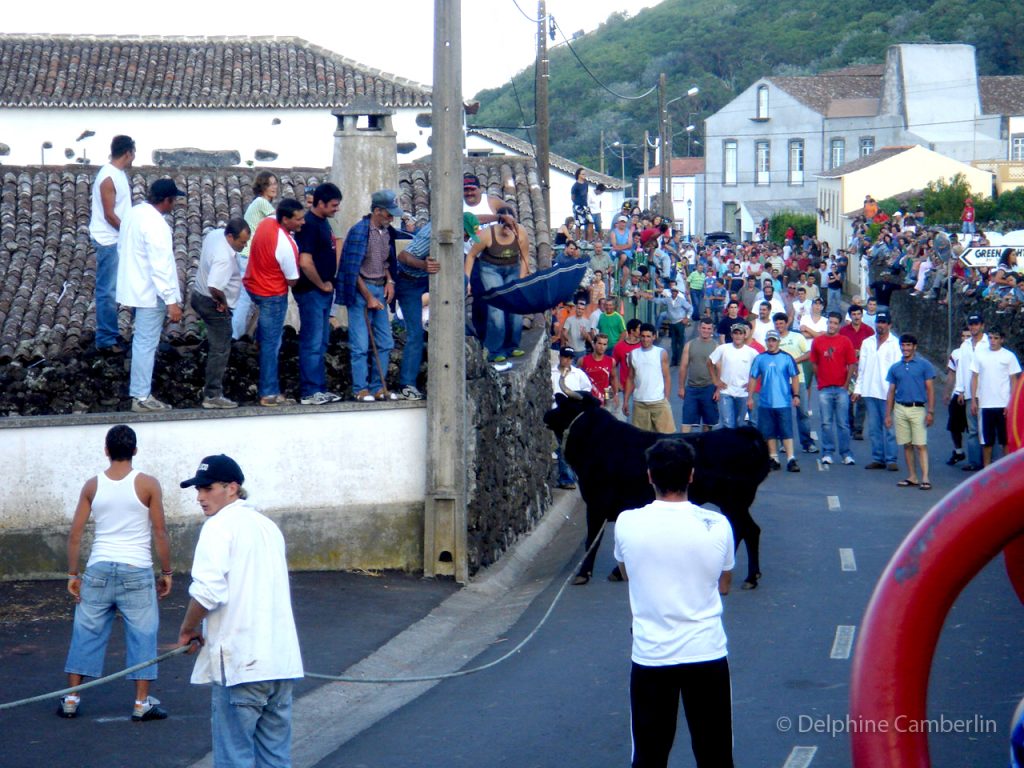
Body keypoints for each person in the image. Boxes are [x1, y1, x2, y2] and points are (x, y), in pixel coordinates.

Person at [613, 439, 735, 768]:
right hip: (706, 652)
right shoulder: (718, 524)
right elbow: (724, 584)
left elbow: (626, 572)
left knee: (650, 755)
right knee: (716, 753)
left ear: (650, 476)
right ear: (691, 476)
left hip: (651, 656)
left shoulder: (626, 522)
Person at [178, 455, 303, 767]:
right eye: (198, 490)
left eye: (207, 489)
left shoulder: (218, 527)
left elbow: (208, 592)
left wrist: (188, 629)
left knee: (235, 758)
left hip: (241, 663)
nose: (200, 497)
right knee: (275, 759)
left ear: (231, 488)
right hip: (280, 661)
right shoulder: (267, 526)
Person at [60, 425, 172, 721]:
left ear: (106, 450)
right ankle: (141, 702)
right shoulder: (148, 484)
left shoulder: (92, 485)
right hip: (136, 569)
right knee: (143, 635)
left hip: (98, 568)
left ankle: (71, 698)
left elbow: (75, 534)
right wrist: (167, 572)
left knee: (86, 632)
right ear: (134, 450)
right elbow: (160, 532)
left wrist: (73, 574)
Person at [116, 178, 185, 412]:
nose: (174, 204)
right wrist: (171, 301)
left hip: (135, 288)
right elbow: (160, 265)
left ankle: (140, 393)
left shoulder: (134, 214)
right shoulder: (157, 224)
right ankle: (141, 396)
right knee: (146, 343)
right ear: (167, 200)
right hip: (151, 292)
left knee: (141, 342)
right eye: (174, 200)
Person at [394, 213, 479, 401]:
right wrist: (424, 265)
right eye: (466, 235)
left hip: (428, 279)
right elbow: (403, 256)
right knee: (415, 334)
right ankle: (407, 385)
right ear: (460, 228)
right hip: (410, 282)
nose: (466, 240)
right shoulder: (430, 235)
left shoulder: (453, 228)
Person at [338, 190, 406, 401]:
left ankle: (378, 387)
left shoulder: (387, 233)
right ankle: (360, 389)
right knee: (360, 345)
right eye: (388, 214)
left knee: (385, 342)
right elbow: (351, 269)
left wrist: (390, 281)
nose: (391, 218)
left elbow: (386, 262)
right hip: (361, 291)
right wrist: (368, 297)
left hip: (380, 288)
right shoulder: (359, 232)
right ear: (376, 211)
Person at [243, 198, 304, 406]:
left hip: (253, 286)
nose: (302, 223)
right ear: (285, 219)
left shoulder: (266, 222)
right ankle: (268, 392)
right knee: (272, 343)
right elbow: (293, 281)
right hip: (272, 295)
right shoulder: (287, 245)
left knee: (266, 337)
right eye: (298, 219)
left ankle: (258, 339)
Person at [190, 218, 251, 409]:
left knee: (216, 344)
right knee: (221, 348)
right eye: (242, 242)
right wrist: (223, 303)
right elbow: (215, 287)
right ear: (230, 236)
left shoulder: (215, 235)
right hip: (212, 301)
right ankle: (212, 394)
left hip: (197, 294)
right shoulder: (224, 257)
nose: (244, 245)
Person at [294, 182, 344, 406]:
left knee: (322, 341)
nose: (337, 209)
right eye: (334, 205)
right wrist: (321, 284)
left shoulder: (324, 224)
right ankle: (310, 391)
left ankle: (319, 388)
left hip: (323, 293)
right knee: (312, 341)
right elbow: (305, 261)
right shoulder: (310, 225)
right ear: (321, 203)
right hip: (312, 292)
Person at [464, 206, 531, 363]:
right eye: (505, 225)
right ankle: (494, 349)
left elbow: (525, 258)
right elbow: (472, 255)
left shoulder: (521, 233)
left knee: (514, 308)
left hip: (512, 268)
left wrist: (521, 279)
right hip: (490, 269)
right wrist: (467, 280)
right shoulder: (488, 234)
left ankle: (512, 345)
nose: (508, 229)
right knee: (497, 309)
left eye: (511, 225)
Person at [89, 134, 135, 352]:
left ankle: (112, 334)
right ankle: (106, 338)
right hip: (108, 239)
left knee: (116, 288)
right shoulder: (108, 177)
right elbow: (110, 215)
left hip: (116, 239)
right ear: (128, 153)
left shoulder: (117, 174)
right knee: (107, 290)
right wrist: (128, 233)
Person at [885, 334, 936, 489]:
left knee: (920, 444)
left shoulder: (924, 365)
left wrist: (931, 411)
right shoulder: (895, 367)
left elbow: (930, 389)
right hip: (900, 408)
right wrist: (888, 414)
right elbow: (891, 391)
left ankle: (925, 477)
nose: (905, 348)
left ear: (915, 347)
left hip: (918, 408)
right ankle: (912, 476)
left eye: (908, 345)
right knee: (906, 444)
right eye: (903, 345)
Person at [748, 329, 801, 472]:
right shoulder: (760, 358)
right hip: (765, 402)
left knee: (786, 431)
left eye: (773, 340)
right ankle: (773, 457)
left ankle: (791, 458)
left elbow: (794, 376)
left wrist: (796, 395)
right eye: (769, 340)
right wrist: (750, 397)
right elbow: (753, 377)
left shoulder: (786, 358)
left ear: (778, 341)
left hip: (783, 401)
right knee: (768, 431)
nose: (771, 343)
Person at [853, 311, 901, 471]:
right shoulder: (867, 342)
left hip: (888, 392)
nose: (880, 325)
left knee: (889, 427)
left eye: (883, 322)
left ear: (890, 325)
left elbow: (897, 370)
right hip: (869, 391)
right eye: (878, 322)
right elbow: (862, 367)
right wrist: (858, 389)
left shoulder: (895, 344)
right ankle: (878, 458)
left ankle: (891, 459)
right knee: (874, 428)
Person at [233, 171, 279, 339]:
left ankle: (244, 334)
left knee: (250, 299)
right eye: (269, 184)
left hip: (248, 256)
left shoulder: (259, 203)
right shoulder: (262, 202)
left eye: (275, 183)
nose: (274, 187)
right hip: (249, 256)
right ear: (262, 187)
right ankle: (236, 335)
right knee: (247, 299)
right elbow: (278, 223)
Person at [810, 312, 858, 465]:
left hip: (841, 388)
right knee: (826, 423)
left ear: (839, 325)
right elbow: (814, 363)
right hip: (825, 388)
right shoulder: (818, 341)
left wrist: (846, 384)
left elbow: (852, 363)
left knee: (843, 423)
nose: (832, 325)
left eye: (835, 323)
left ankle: (846, 454)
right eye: (830, 322)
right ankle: (827, 452)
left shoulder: (845, 341)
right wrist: (820, 380)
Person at [970, 326, 1022, 467]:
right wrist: (974, 400)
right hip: (985, 404)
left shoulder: (1009, 356)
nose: (992, 341)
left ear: (1002, 340)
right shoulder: (980, 355)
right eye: (991, 338)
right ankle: (987, 470)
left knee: (1005, 440)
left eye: (996, 338)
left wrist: (1011, 403)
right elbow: (974, 377)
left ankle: (1008, 469)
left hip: (1003, 404)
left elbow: (1014, 380)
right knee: (987, 441)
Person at [774, 313, 817, 453]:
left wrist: (793, 361)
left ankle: (807, 443)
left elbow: (809, 353)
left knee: (803, 413)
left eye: (782, 323)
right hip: (780, 383)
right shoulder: (773, 339)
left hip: (799, 380)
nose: (779, 326)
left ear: (787, 324)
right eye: (777, 324)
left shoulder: (797, 337)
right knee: (782, 413)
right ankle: (783, 443)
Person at [953, 313, 990, 472]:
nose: (973, 327)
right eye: (971, 324)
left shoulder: (989, 343)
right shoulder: (965, 345)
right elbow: (961, 369)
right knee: (973, 430)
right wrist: (960, 390)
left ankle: (990, 463)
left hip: (988, 393)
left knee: (987, 429)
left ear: (982, 325)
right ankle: (974, 461)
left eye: (976, 324)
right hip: (969, 393)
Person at [623, 322, 675, 433]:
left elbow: (667, 377)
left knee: (666, 437)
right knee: (640, 440)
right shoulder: (633, 354)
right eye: (643, 336)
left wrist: (666, 398)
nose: (645, 339)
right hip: (640, 403)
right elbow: (630, 378)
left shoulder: (661, 353)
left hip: (658, 402)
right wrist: (626, 400)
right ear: (639, 336)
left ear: (654, 337)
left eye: (648, 336)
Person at [551, 348, 592, 489]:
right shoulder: (551, 373)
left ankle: (571, 475)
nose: (567, 360)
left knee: (571, 447)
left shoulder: (578, 374)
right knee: (564, 445)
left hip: (575, 417)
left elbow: (587, 390)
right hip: (558, 416)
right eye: (565, 357)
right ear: (560, 357)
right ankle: (567, 478)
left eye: (570, 358)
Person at [709, 322, 759, 428]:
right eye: (735, 333)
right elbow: (709, 362)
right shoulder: (723, 348)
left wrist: (752, 384)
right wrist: (716, 381)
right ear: (731, 335)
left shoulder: (752, 352)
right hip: (726, 393)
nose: (738, 336)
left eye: (740, 333)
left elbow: (759, 370)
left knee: (742, 425)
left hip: (743, 394)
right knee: (728, 424)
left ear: (744, 335)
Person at [678, 318, 720, 433]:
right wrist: (681, 387)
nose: (706, 331)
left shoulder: (717, 347)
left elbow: (719, 370)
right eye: (703, 328)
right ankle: (684, 447)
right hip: (691, 389)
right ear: (698, 328)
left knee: (708, 423)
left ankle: (705, 449)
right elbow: (683, 367)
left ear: (712, 330)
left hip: (709, 389)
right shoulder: (689, 345)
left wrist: (718, 390)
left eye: (709, 329)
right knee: (686, 422)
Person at [840, 305, 874, 439]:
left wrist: (861, 352)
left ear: (862, 315)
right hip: (848, 369)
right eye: (853, 314)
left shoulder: (869, 331)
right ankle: (851, 425)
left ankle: (858, 429)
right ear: (850, 316)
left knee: (862, 401)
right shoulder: (843, 331)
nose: (856, 316)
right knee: (847, 401)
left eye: (858, 314)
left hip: (864, 369)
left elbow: (873, 349)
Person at [944, 326, 973, 465]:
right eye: (964, 336)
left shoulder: (979, 352)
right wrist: (947, 392)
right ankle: (958, 451)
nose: (966, 339)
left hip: (973, 394)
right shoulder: (956, 353)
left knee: (974, 429)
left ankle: (978, 457)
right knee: (954, 426)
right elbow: (951, 374)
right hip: (958, 393)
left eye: (969, 336)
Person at [650, 283, 692, 366]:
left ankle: (680, 359)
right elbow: (658, 301)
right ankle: (674, 360)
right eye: (672, 291)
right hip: (672, 323)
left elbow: (690, 308)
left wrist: (687, 318)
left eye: (675, 291)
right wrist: (649, 298)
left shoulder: (681, 300)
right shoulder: (668, 300)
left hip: (680, 322)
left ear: (677, 292)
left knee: (680, 341)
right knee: (673, 342)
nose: (673, 293)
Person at [579, 333, 617, 407]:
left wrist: (615, 394)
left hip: (606, 396)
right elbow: (577, 379)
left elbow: (613, 379)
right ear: (594, 344)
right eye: (599, 343)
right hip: (588, 398)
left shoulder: (611, 361)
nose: (602, 347)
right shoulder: (583, 360)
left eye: (604, 344)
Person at [570, 167, 593, 242]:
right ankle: (578, 240)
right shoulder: (575, 186)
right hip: (578, 206)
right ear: (579, 175)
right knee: (578, 223)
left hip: (585, 206)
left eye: (585, 174)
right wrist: (577, 204)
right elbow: (572, 198)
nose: (584, 175)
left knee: (590, 221)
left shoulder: (586, 184)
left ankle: (589, 240)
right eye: (583, 174)